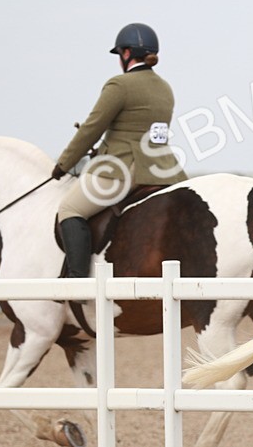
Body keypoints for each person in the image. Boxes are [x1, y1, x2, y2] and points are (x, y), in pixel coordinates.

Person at [52, 23, 187, 277]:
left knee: (69, 209)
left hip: (125, 169)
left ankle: (77, 280)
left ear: (126, 53)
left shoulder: (120, 85)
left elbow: (92, 128)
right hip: (164, 168)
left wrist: (64, 164)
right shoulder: (165, 88)